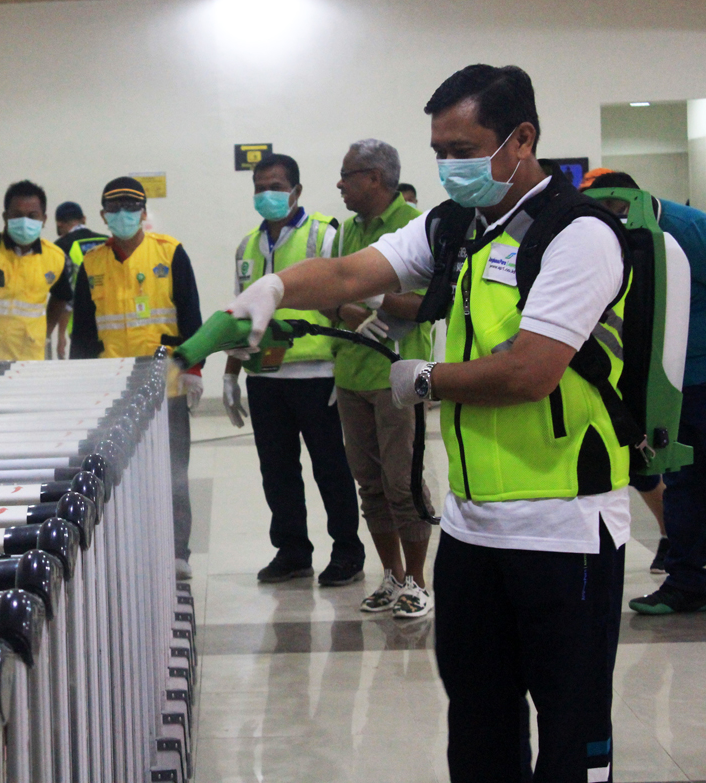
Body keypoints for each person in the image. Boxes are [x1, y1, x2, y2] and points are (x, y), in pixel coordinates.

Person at [227, 64, 629, 782]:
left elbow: (530, 370)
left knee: (570, 731)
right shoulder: (454, 226)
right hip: (474, 528)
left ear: (521, 139)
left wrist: (426, 379)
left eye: (464, 149)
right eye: (439, 150)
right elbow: (353, 275)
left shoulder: (579, 235)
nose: (448, 165)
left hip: (563, 524)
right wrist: (277, 286)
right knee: (477, 724)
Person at [224, 153, 364, 586]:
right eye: (260, 188)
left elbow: (343, 303)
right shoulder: (247, 245)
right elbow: (240, 314)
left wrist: (344, 370)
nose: (268, 195)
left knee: (330, 466)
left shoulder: (324, 235)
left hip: (316, 372)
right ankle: (292, 550)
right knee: (277, 469)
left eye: (277, 186)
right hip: (265, 377)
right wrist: (231, 373)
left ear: (297, 191)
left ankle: (346, 550)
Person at [71, 176, 203, 580]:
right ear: (103, 216)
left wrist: (195, 369)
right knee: (117, 472)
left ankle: (177, 550)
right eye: (115, 209)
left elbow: (190, 314)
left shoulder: (170, 252)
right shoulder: (91, 263)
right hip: (113, 387)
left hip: (167, 382)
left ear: (144, 213)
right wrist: (82, 387)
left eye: (132, 207)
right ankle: (127, 549)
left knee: (172, 470)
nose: (124, 215)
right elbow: (83, 333)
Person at [587, 170, 706, 613]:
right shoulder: (611, 238)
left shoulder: (687, 228)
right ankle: (687, 581)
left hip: (700, 376)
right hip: (660, 378)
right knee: (679, 480)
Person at [327, 139, 435, 615]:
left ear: (374, 177)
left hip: (398, 375)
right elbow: (331, 297)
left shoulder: (417, 228)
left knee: (402, 482)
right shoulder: (347, 231)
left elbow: (429, 305)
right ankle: (390, 576)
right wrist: (347, 308)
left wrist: (373, 298)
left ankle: (418, 581)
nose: (340, 184)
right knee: (368, 482)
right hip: (351, 373)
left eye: (347, 174)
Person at [0, 180, 73, 361]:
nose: (25, 222)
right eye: (17, 215)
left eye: (33, 216)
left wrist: (45, 332)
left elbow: (62, 296)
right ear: (5, 217)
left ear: (44, 219)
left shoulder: (55, 257)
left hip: (28, 359)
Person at [53, 201, 107, 358]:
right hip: (112, 323)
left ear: (59, 224)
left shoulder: (60, 247)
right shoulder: (107, 240)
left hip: (80, 326)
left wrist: (60, 335)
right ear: (84, 219)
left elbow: (65, 295)